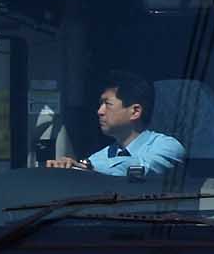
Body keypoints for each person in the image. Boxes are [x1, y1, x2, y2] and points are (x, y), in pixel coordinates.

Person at [48, 71, 186, 178]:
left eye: (107, 104)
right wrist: (66, 170)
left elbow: (141, 168)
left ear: (135, 111)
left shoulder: (168, 147)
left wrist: (87, 168)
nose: (99, 111)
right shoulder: (98, 157)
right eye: (100, 105)